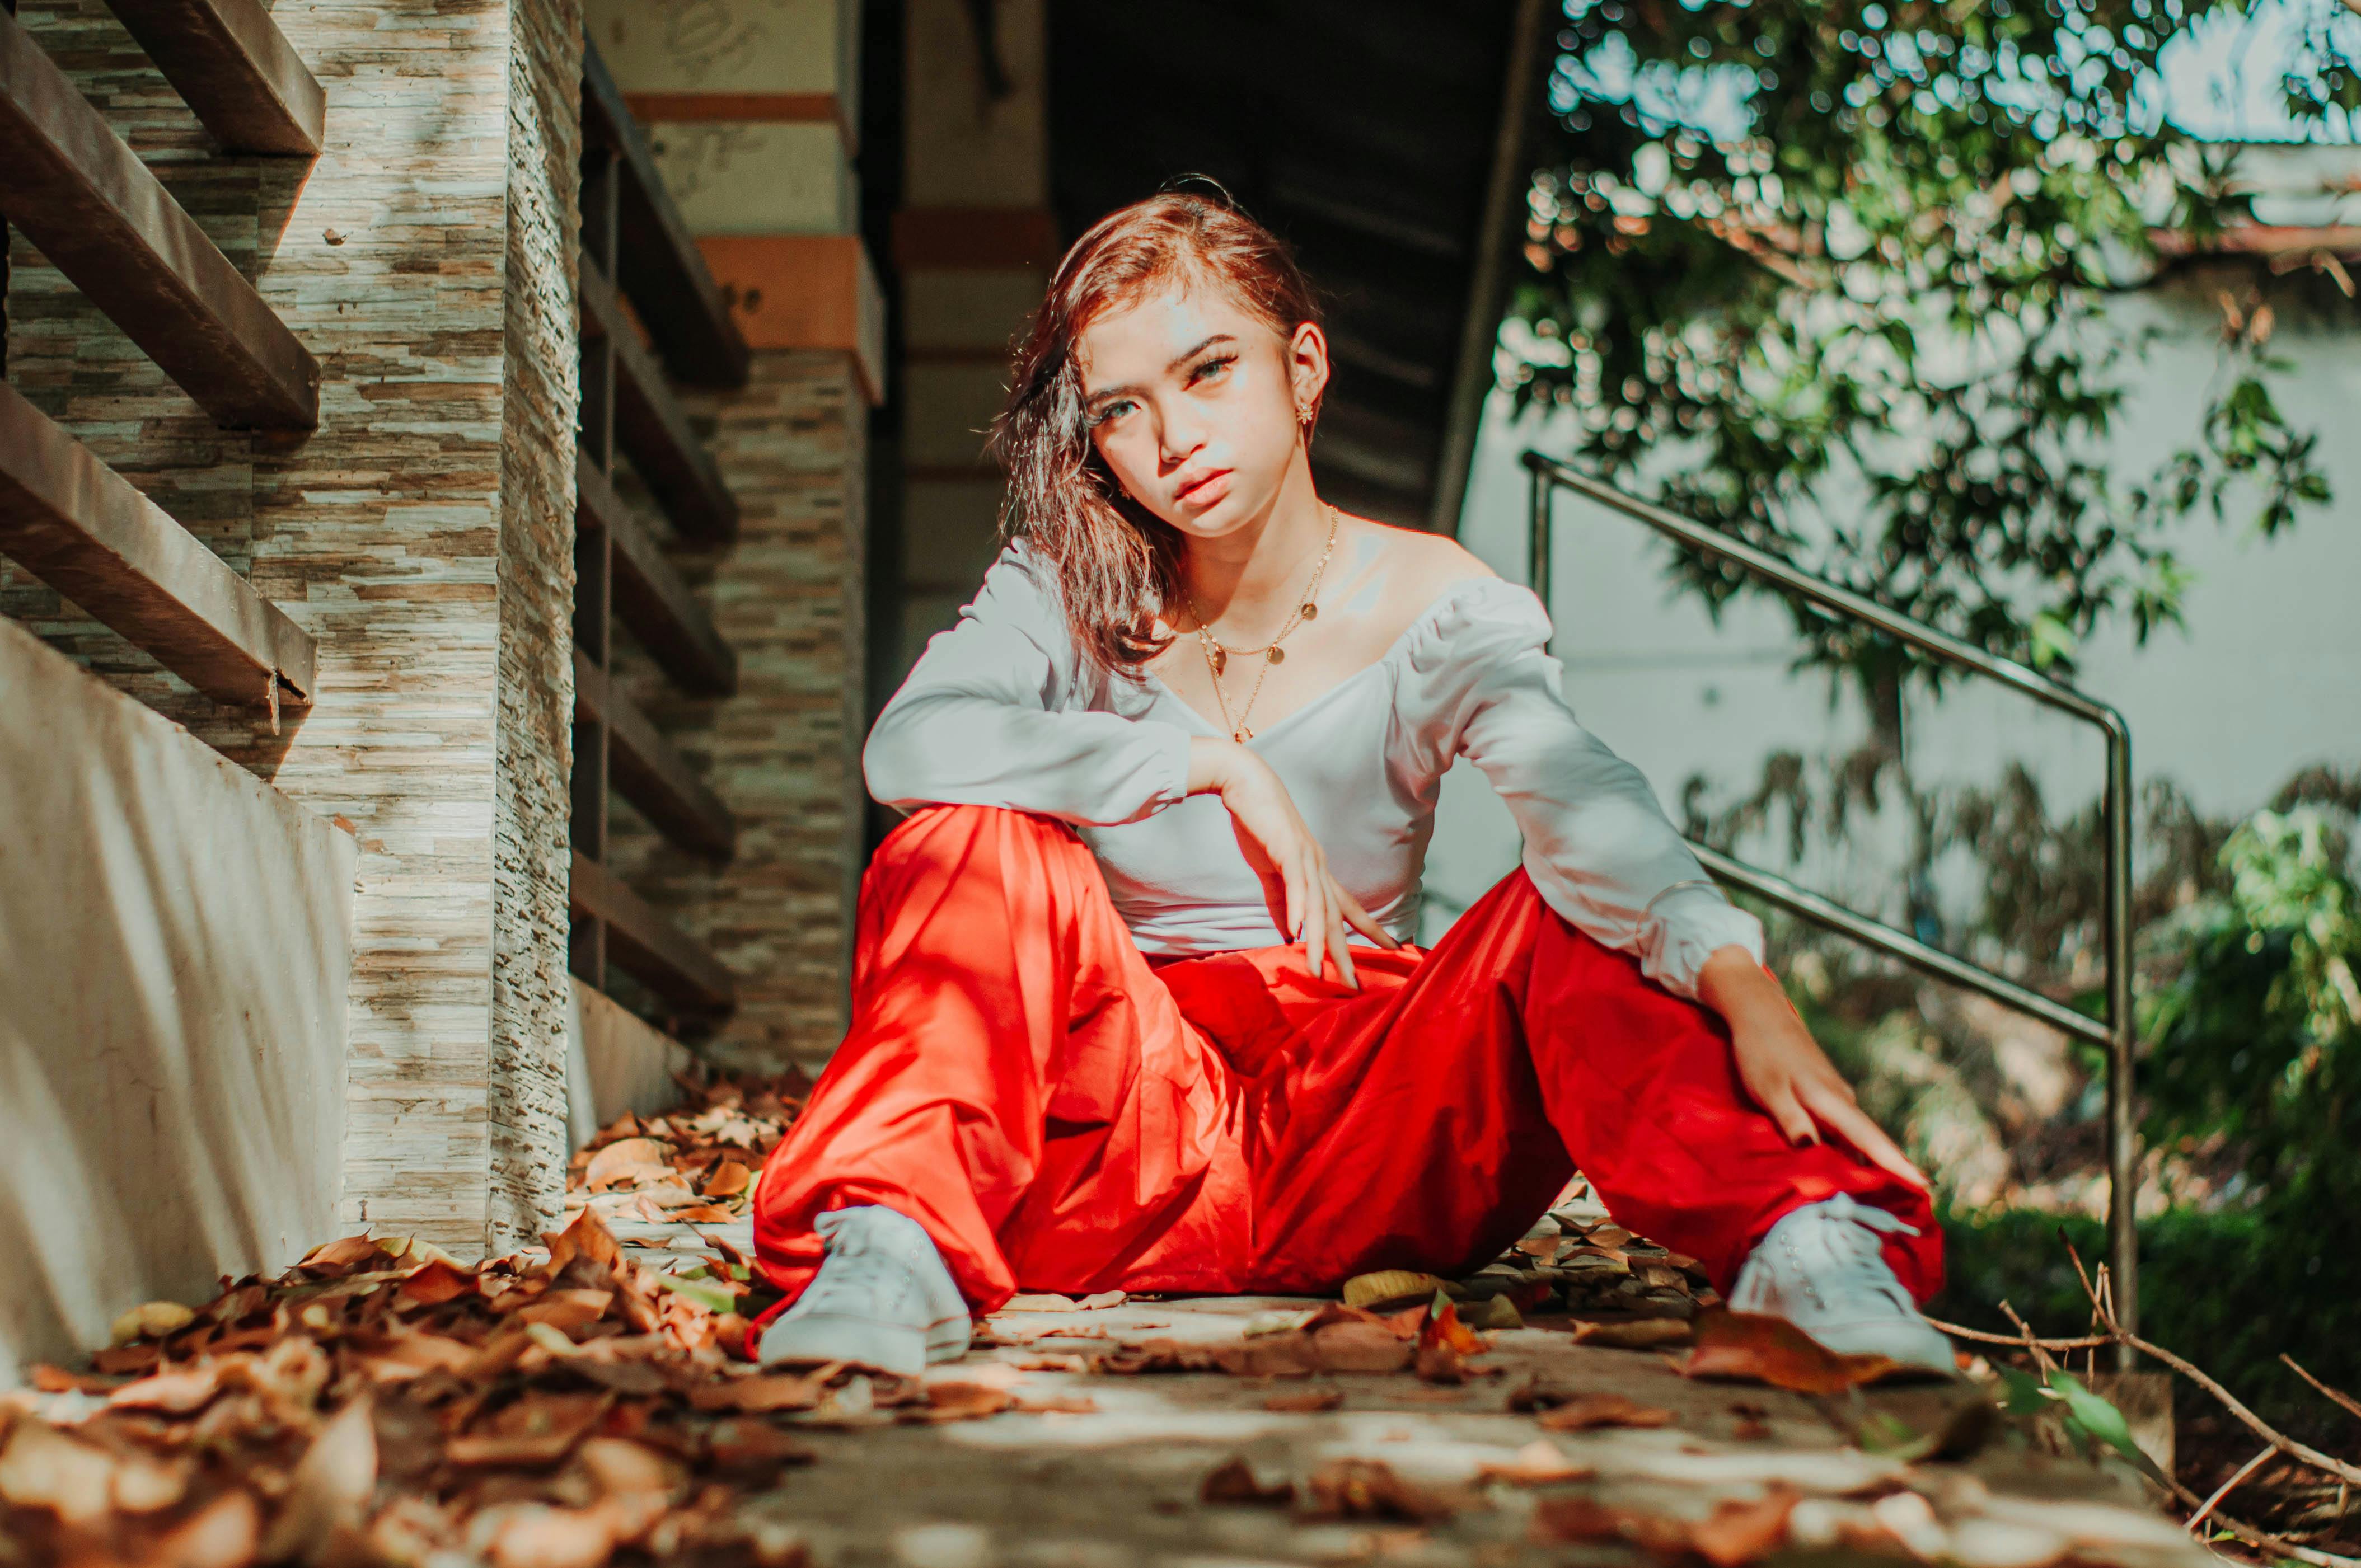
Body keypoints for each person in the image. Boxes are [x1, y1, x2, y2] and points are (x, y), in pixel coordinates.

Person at [747, 188, 1954, 1379]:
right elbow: (908, 746)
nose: (1174, 439)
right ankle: (890, 1249)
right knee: (970, 840)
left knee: (1562, 907)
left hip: (1370, 1130)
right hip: (1113, 1141)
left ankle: (1809, 1248)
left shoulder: (1434, 603)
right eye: (1124, 408)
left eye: (1210, 370)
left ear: (1303, 368)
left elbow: (1576, 793)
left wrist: (1733, 975)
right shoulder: (1064, 588)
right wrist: (1201, 763)